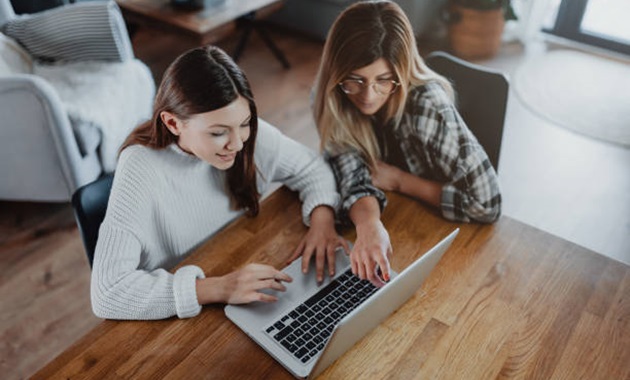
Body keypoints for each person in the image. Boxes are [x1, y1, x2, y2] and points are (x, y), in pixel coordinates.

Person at [91, 46, 347, 320]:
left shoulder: (239, 133)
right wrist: (220, 287)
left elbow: (311, 166)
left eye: (245, 123)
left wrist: (322, 221)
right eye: (218, 133)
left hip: (241, 269)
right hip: (182, 319)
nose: (237, 143)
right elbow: (108, 293)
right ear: (173, 123)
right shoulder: (140, 167)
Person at [312, 1, 501, 287]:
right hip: (400, 222)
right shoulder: (334, 95)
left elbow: (488, 205)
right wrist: (369, 224)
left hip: (447, 238)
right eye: (355, 80)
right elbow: (347, 165)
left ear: (400, 74)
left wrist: (401, 181)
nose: (368, 96)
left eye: (383, 81)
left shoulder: (429, 108)